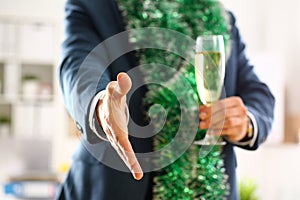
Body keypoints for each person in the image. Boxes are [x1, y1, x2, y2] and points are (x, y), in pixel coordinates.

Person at [57, 0, 275, 199]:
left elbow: (257, 92)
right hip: (113, 188)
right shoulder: (93, 6)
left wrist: (247, 121)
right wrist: (100, 104)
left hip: (211, 187)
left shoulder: (222, 19)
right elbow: (78, 68)